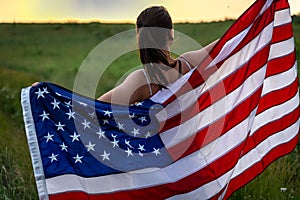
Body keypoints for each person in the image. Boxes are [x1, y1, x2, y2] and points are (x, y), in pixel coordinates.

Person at [98, 6, 218, 105]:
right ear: (171, 35)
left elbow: (96, 108)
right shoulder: (189, 63)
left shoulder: (140, 81)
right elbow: (226, 45)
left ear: (140, 40)